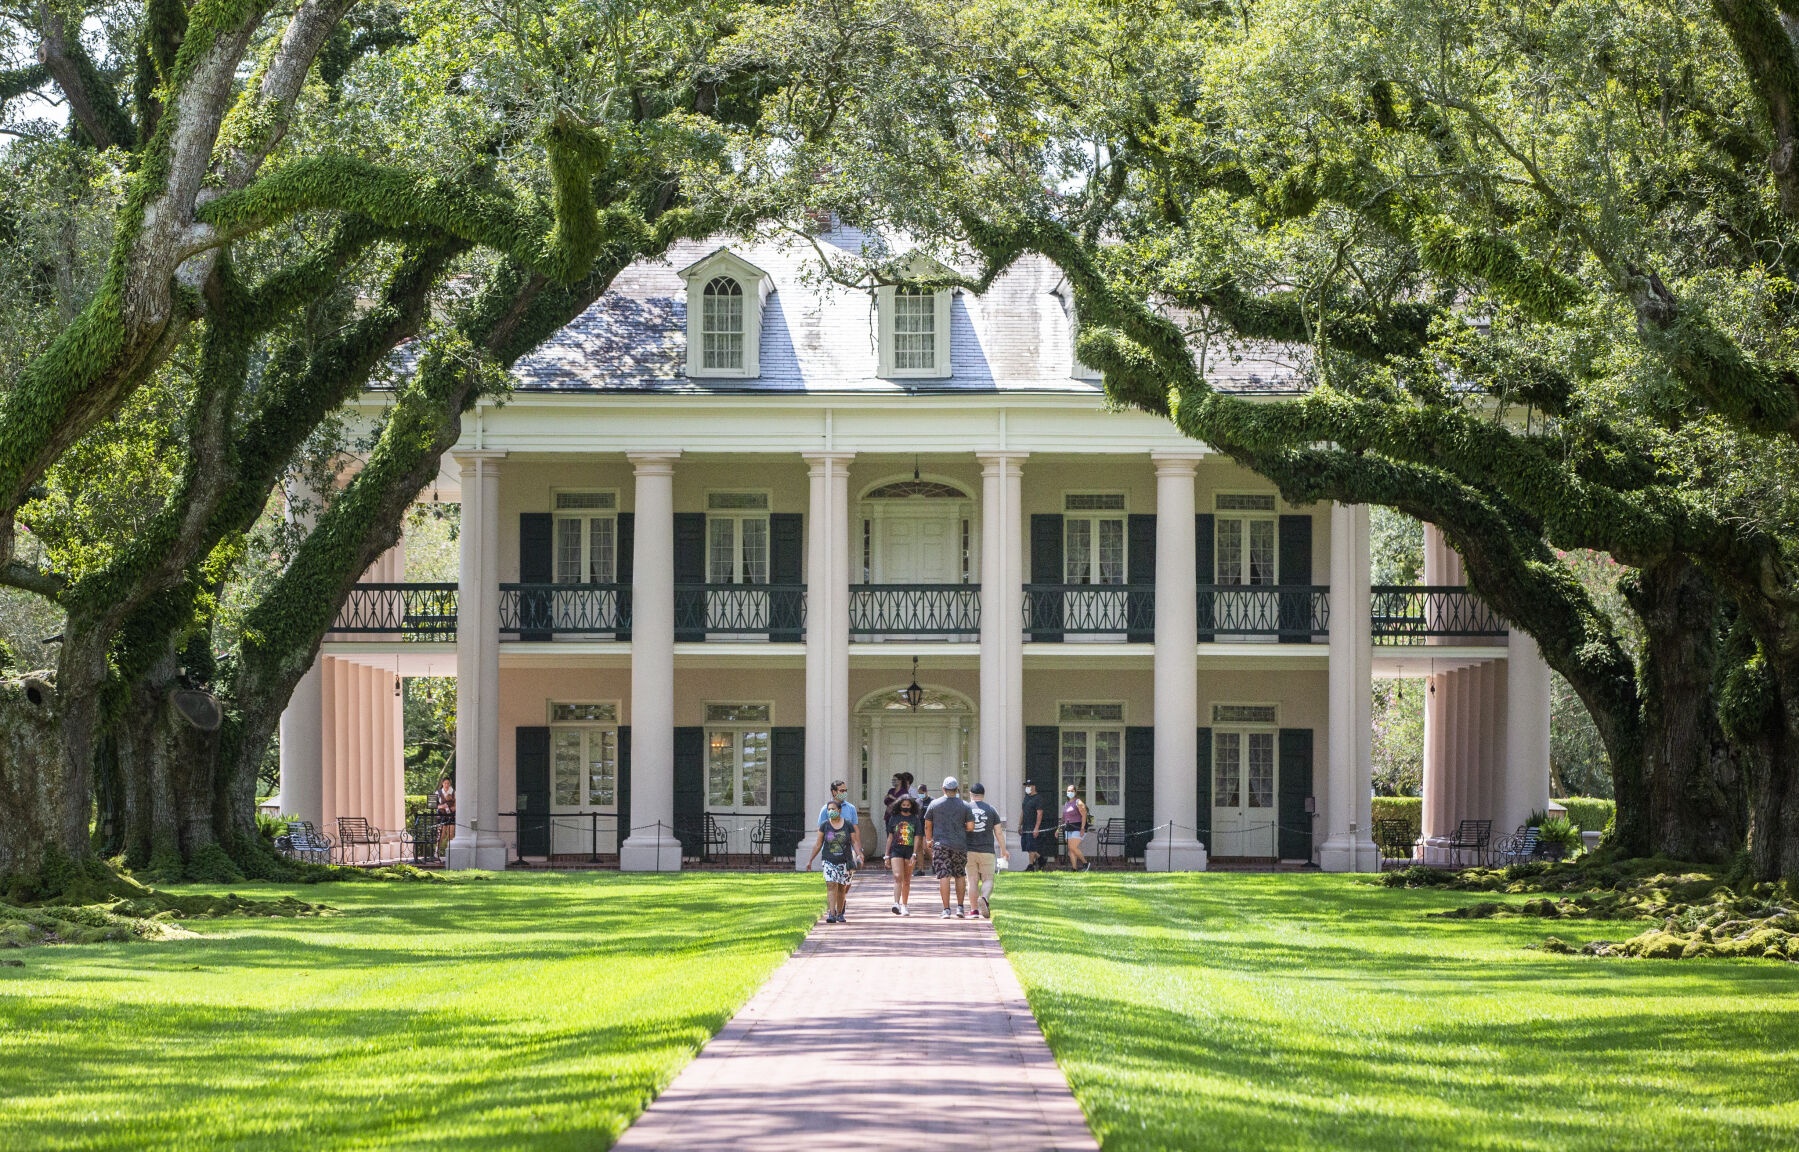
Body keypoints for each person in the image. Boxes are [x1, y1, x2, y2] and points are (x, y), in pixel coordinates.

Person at [923, 776, 974, 918]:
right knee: (959, 875)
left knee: (944, 876)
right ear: (957, 789)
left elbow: (928, 825)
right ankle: (960, 907)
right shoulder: (965, 805)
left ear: (943, 789)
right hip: (959, 844)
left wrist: (928, 840)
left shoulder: (934, 804)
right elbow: (970, 826)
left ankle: (946, 909)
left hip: (940, 844)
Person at [805, 800, 863, 923]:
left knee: (842, 887)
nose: (831, 811)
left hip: (845, 860)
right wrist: (810, 860)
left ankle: (840, 912)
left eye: (833, 809)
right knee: (831, 885)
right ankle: (831, 914)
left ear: (839, 810)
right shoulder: (825, 825)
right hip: (829, 860)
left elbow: (854, 841)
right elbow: (818, 844)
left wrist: (859, 854)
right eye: (829, 809)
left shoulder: (847, 825)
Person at [964, 783, 1009, 917]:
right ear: (983, 795)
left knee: (972, 880)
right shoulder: (991, 809)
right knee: (988, 879)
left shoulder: (965, 808)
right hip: (987, 850)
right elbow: (999, 832)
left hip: (969, 849)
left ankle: (974, 910)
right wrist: (1003, 850)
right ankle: (984, 898)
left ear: (971, 794)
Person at [885, 794, 923, 915]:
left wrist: (914, 854)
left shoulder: (915, 819)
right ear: (899, 805)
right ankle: (896, 903)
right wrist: (886, 855)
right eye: (903, 805)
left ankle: (904, 905)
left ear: (912, 806)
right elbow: (890, 837)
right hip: (896, 850)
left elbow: (917, 837)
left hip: (909, 851)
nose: (906, 807)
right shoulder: (894, 818)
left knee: (906, 880)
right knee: (897, 876)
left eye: (908, 805)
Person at [1061, 784, 1091, 872]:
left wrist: (1082, 828)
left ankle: (1085, 863)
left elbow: (1084, 814)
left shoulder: (1078, 802)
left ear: (1075, 792)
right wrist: (1058, 829)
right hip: (1068, 827)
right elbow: (1064, 817)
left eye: (1072, 791)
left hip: (1077, 827)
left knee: (1073, 847)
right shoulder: (1066, 803)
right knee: (1071, 849)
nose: (1070, 792)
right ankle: (1074, 869)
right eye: (1068, 791)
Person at [1019, 779, 1046, 871]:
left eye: (1029, 786)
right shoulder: (1026, 797)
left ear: (1033, 787)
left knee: (1031, 846)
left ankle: (1030, 866)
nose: (1027, 788)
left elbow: (1039, 813)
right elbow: (1023, 812)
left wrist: (1036, 828)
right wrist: (1020, 825)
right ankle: (1040, 858)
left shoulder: (1038, 798)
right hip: (1025, 826)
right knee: (1026, 846)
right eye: (1026, 786)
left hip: (1033, 825)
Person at [433, 775, 455, 856]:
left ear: (450, 784)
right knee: (440, 834)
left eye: (448, 783)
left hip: (451, 815)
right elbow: (435, 805)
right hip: (441, 815)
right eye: (445, 783)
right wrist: (442, 806)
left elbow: (456, 804)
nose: (446, 785)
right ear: (442, 783)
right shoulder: (437, 793)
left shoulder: (453, 792)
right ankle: (436, 852)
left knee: (450, 834)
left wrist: (453, 808)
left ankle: (450, 852)